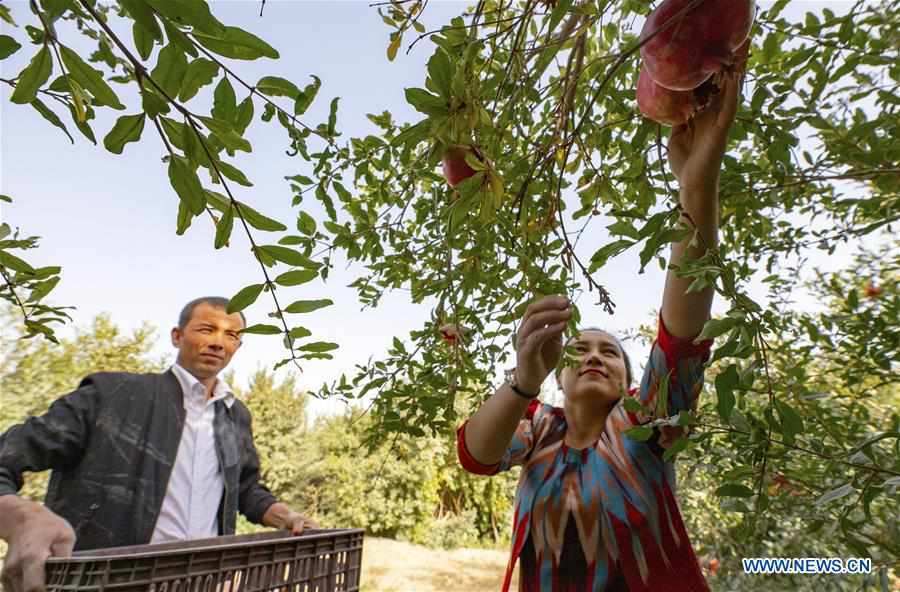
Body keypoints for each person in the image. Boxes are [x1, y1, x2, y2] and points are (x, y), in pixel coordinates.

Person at [456, 73, 744, 591]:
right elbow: (477, 455)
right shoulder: (538, 429)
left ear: (631, 383)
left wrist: (697, 185)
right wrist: (522, 381)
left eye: (609, 352)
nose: (593, 355)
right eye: (580, 349)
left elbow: (680, 339)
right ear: (558, 381)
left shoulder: (642, 426)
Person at [0, 297, 317, 592]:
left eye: (231, 336)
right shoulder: (111, 394)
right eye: (207, 329)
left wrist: (286, 516)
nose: (219, 342)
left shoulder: (235, 416)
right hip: (104, 581)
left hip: (199, 581)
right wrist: (21, 517)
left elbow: (246, 490)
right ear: (177, 336)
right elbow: (7, 455)